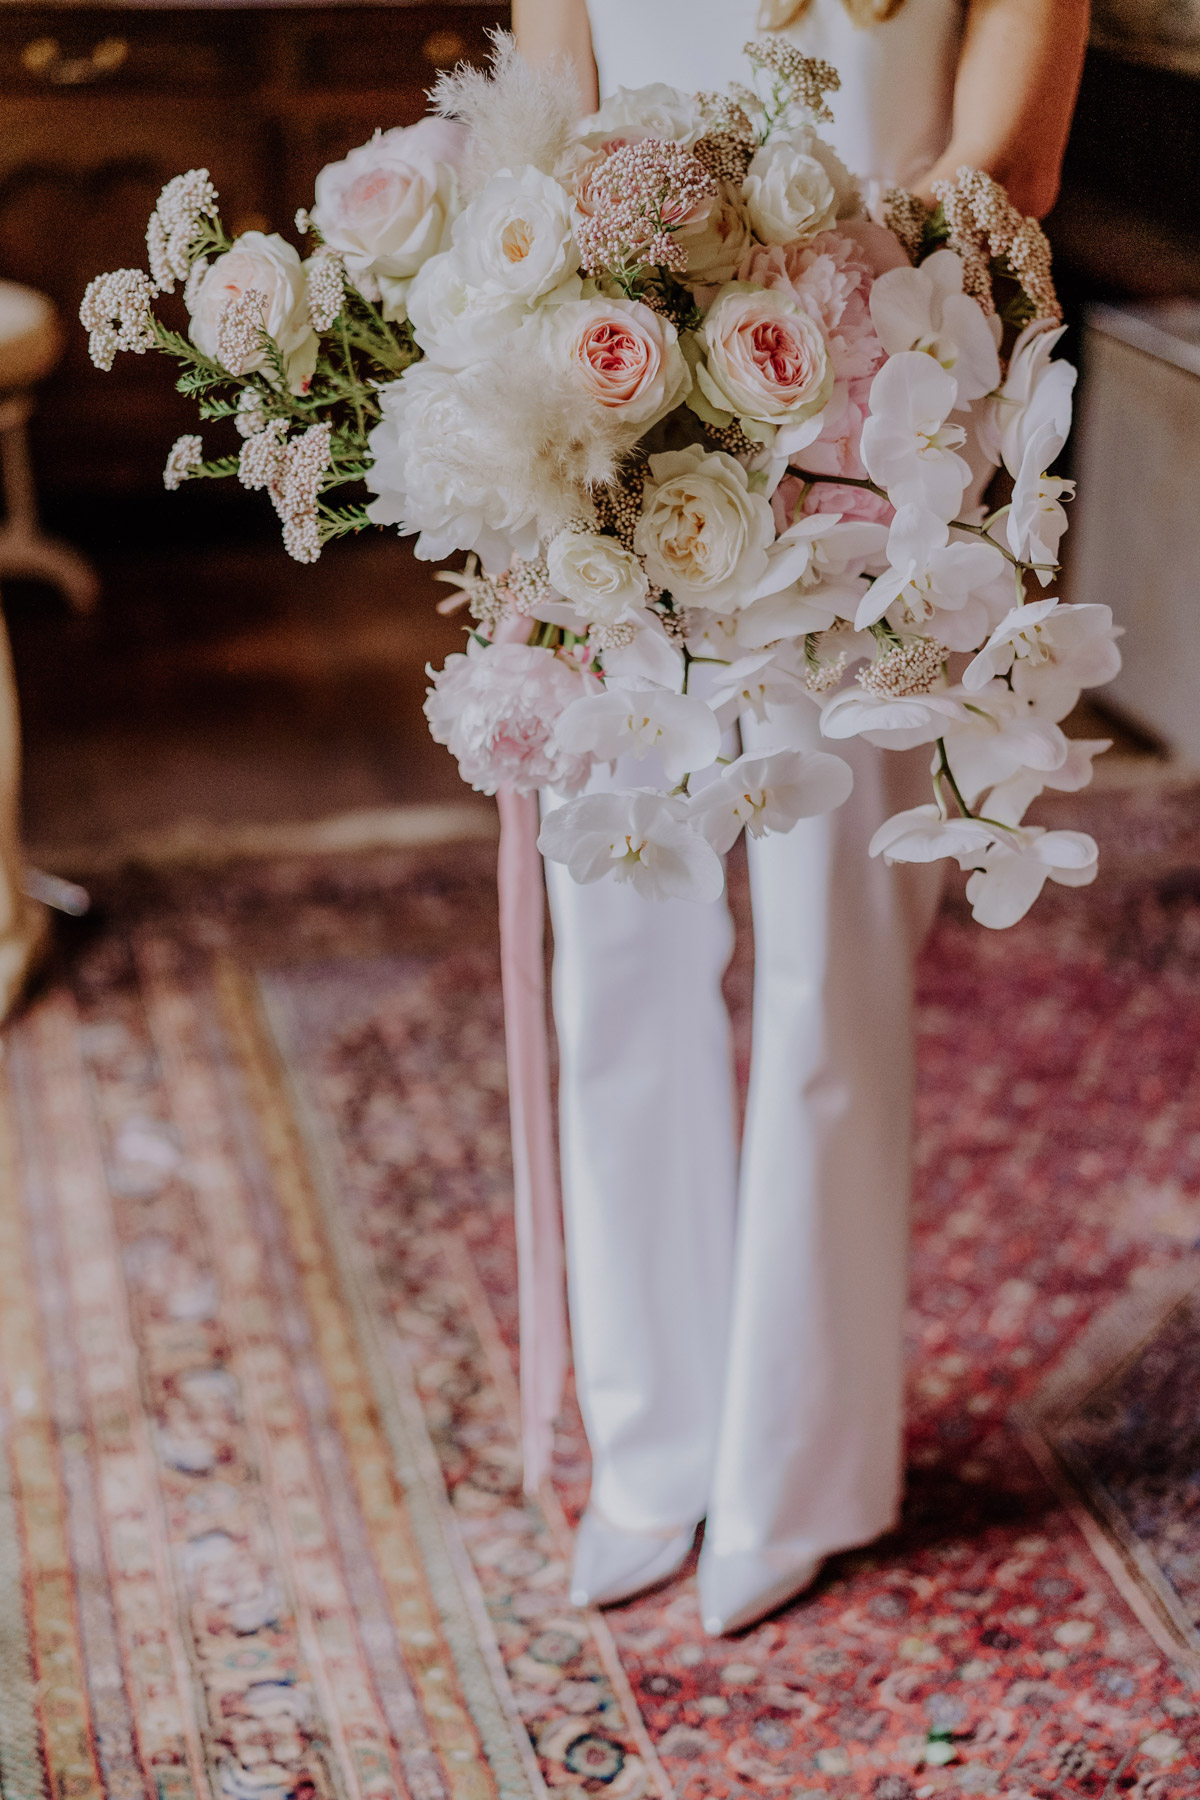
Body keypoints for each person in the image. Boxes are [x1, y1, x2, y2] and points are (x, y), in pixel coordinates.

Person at [512, 0, 1090, 1634]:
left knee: (834, 958)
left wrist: (804, 362)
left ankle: (799, 1465)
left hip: (868, 458)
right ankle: (651, 1449)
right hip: (615, 444)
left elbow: (1009, 172)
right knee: (615, 942)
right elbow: (543, 138)